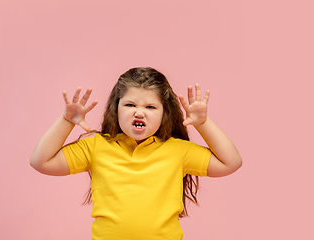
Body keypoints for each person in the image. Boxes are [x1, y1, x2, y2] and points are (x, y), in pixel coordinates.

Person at [30, 67, 242, 240]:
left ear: (164, 114)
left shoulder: (178, 150)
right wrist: (67, 121)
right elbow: (41, 161)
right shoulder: (95, 146)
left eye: (150, 106)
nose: (139, 112)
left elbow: (230, 162)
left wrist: (203, 124)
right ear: (116, 108)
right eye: (130, 104)